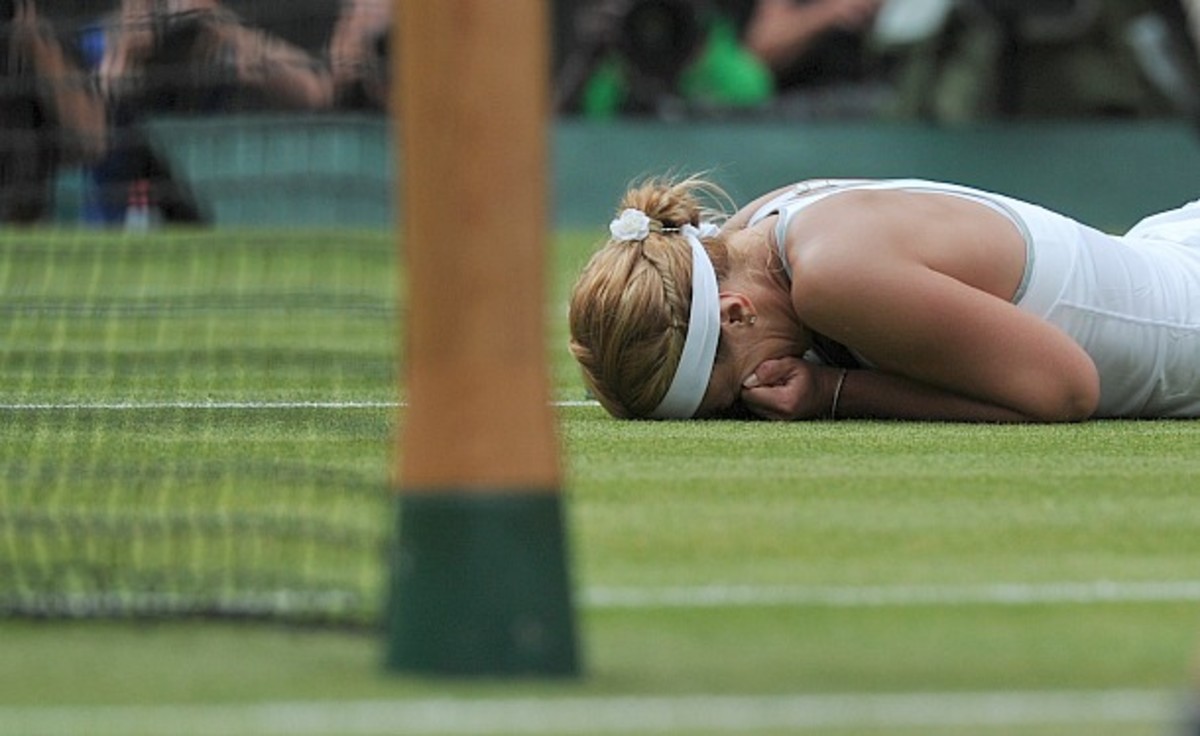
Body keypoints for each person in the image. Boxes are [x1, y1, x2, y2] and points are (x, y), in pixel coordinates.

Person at [568, 175, 1200, 422]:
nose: (754, 396)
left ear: (735, 312)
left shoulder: (831, 279)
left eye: (732, 393)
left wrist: (830, 394)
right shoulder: (757, 229)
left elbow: (1066, 390)